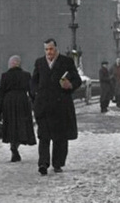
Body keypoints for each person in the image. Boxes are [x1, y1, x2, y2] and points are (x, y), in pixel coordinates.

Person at [30, 37, 82, 175]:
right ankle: (43, 163)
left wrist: (70, 85)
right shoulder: (40, 63)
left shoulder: (67, 62)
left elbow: (77, 80)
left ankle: (58, 163)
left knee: (60, 137)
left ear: (56, 49)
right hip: (44, 106)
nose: (49, 52)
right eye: (46, 49)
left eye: (51, 49)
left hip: (61, 106)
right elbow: (33, 81)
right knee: (44, 137)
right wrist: (35, 94)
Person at [0, 54, 36, 162]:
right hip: (22, 102)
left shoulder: (5, 76)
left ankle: (13, 147)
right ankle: (16, 147)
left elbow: (1, 94)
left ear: (11, 64)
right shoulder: (26, 75)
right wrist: (35, 102)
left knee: (11, 126)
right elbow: (31, 91)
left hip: (8, 102)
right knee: (21, 126)